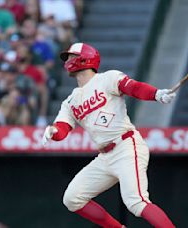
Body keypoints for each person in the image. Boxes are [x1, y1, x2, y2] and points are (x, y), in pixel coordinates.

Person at [41, 43, 176, 228]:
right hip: (105, 156)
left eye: (72, 56)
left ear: (85, 58)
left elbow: (133, 88)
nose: (68, 61)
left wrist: (156, 94)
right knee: (72, 198)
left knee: (136, 202)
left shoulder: (107, 78)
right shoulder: (70, 101)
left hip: (126, 146)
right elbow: (63, 127)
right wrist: (54, 131)